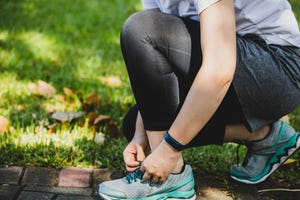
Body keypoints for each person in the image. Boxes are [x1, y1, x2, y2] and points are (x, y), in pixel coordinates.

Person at [97, 0, 300, 199]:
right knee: (139, 125)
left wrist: (168, 150)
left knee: (142, 28)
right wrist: (141, 136)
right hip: (237, 64)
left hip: (278, 70)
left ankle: (168, 177)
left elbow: (219, 69)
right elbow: (158, 55)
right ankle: (265, 137)